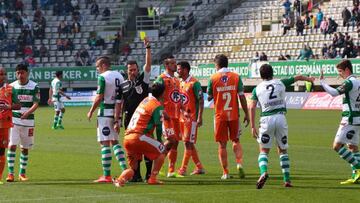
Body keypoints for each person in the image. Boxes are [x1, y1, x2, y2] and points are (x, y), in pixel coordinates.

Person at [249, 64, 315, 189]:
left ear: (261, 75)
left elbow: (252, 107)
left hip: (266, 119)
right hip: (280, 118)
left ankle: (263, 172)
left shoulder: (256, 89)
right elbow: (298, 77)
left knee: (263, 150)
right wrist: (309, 79)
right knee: (283, 150)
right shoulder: (280, 83)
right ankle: (287, 179)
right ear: (272, 73)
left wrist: (252, 126)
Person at [114, 83, 167, 187]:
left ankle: (120, 180)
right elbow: (159, 126)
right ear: (162, 93)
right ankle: (152, 178)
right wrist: (159, 139)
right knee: (162, 150)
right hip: (139, 137)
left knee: (133, 168)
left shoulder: (145, 100)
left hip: (127, 138)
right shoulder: (157, 105)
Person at [207, 54, 249, 179]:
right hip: (234, 114)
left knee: (222, 145)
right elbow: (241, 97)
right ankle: (239, 164)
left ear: (217, 65)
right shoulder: (236, 77)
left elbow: (209, 96)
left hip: (220, 116)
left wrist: (216, 93)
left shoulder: (213, 78)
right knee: (236, 140)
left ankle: (226, 172)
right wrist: (246, 113)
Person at [87, 56, 128, 183]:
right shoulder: (120, 76)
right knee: (115, 141)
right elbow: (123, 97)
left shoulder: (103, 77)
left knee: (105, 143)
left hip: (105, 112)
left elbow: (99, 97)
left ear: (104, 65)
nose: (97, 69)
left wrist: (91, 111)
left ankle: (107, 175)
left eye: (98, 67)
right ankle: (125, 170)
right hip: (117, 113)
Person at [320, 59, 360, 184]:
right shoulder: (358, 81)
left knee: (336, 146)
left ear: (347, 70)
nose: (340, 74)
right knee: (352, 147)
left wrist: (322, 82)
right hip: (357, 118)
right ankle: (357, 175)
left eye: (341, 71)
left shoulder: (350, 82)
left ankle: (358, 168)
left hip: (349, 119)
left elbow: (333, 93)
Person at [120, 37, 153, 182]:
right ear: (127, 71)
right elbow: (121, 103)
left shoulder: (143, 80)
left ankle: (149, 175)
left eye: (134, 70)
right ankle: (136, 175)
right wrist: (117, 119)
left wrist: (148, 48)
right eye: (130, 70)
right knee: (133, 150)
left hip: (145, 120)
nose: (132, 72)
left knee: (146, 148)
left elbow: (148, 65)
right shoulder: (124, 85)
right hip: (129, 121)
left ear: (138, 70)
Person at [6, 64, 39, 182]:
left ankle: (22, 174)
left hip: (28, 121)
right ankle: (10, 174)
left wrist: (28, 112)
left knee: (25, 148)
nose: (20, 75)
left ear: (27, 73)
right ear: (15, 74)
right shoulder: (11, 87)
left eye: (22, 73)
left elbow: (36, 103)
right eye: (18, 73)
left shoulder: (34, 86)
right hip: (14, 121)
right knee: (12, 145)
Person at [154, 55, 181, 178]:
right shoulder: (161, 79)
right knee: (171, 140)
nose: (175, 65)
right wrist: (161, 111)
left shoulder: (176, 80)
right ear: (167, 65)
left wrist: (184, 111)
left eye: (175, 63)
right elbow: (155, 96)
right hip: (166, 116)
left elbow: (177, 97)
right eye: (173, 63)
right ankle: (157, 166)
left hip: (176, 115)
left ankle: (171, 170)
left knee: (176, 143)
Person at [177, 61, 205, 176]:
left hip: (192, 118)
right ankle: (199, 167)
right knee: (187, 143)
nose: (177, 71)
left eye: (179, 69)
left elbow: (201, 100)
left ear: (185, 70)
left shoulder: (194, 83)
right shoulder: (180, 82)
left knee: (188, 143)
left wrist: (199, 117)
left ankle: (183, 169)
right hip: (182, 118)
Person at [0, 66, 21, 185]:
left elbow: (18, 105)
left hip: (4, 124)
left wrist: (9, 107)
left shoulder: (10, 89)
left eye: (4, 74)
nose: (2, 77)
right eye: (0, 74)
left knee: (1, 151)